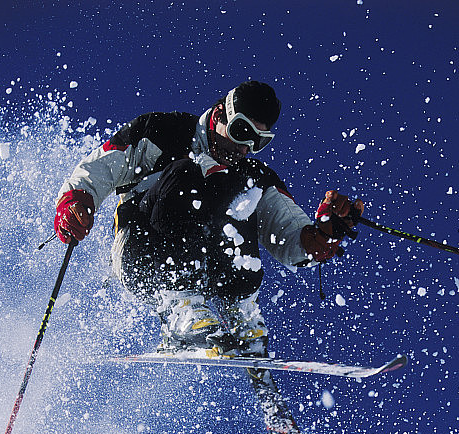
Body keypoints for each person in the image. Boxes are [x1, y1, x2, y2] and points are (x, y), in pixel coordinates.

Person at [54, 81, 364, 355]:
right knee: (190, 170)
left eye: (259, 141)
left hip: (208, 271)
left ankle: (236, 309)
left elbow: (291, 241)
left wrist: (325, 234)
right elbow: (97, 169)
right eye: (242, 131)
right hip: (143, 253)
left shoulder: (252, 172)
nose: (245, 147)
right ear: (219, 115)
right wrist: (76, 203)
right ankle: (179, 306)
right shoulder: (163, 131)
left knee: (246, 184)